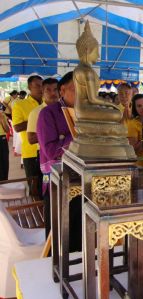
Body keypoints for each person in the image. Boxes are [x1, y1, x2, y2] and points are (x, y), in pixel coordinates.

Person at [37, 71, 77, 241]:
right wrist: (76, 134)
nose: (84, 95)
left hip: (82, 180)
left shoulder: (88, 113)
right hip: (57, 181)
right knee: (58, 235)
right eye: (77, 89)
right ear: (62, 90)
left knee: (79, 232)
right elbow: (51, 151)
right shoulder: (49, 113)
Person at [12, 75, 43, 198]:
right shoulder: (20, 104)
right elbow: (17, 127)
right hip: (31, 152)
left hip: (48, 152)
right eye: (37, 86)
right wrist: (38, 120)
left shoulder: (48, 104)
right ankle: (36, 211)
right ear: (29, 87)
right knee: (34, 187)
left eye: (42, 85)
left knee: (48, 186)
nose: (40, 88)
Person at [27, 78, 59, 146]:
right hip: (45, 152)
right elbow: (31, 139)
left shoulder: (65, 109)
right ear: (43, 92)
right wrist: (57, 130)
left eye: (55, 90)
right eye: (48, 90)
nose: (53, 93)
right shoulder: (36, 112)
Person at [127, 94, 143, 169]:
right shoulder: (132, 124)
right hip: (141, 165)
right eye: (139, 106)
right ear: (135, 108)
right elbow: (133, 149)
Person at [0, 110, 10, 180]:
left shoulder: (2, 114)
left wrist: (2, 119)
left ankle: (4, 181)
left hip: (2, 139)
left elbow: (7, 130)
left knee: (4, 163)